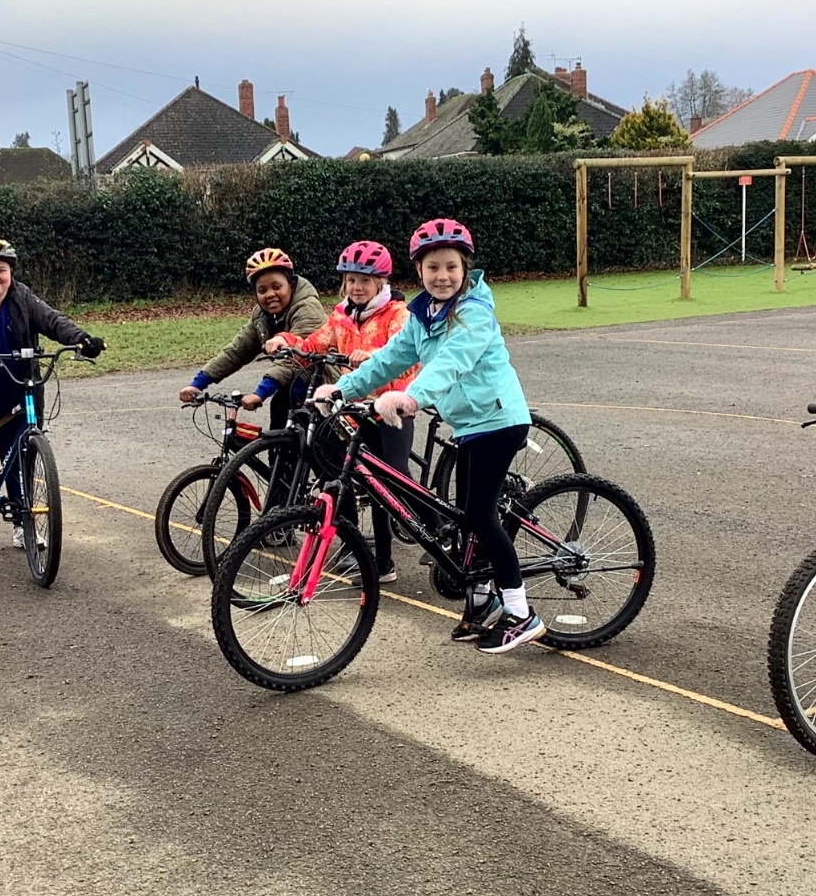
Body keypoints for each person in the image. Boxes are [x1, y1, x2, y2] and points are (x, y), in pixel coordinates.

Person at [315, 218, 544, 655]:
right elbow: (388, 360)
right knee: (465, 517)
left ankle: (520, 613)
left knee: (480, 515)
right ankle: (482, 603)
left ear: (465, 269)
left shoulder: (474, 311)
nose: (443, 276)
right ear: (418, 270)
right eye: (433, 267)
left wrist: (411, 397)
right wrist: (341, 389)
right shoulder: (422, 316)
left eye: (451, 267)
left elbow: (452, 361)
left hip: (499, 420)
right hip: (469, 424)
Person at [263, 240, 416, 582]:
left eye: (365, 280)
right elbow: (315, 342)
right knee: (357, 478)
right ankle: (368, 555)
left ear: (381, 282)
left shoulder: (397, 314)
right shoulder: (341, 315)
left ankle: (439, 533)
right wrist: (287, 341)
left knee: (393, 478)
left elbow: (404, 355)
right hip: (354, 411)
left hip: (391, 407)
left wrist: (373, 357)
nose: (356, 287)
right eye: (351, 280)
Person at [0, 237, 105, 546]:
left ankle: (22, 524)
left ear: (10, 273)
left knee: (19, 451)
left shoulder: (23, 298)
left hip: (17, 382)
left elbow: (53, 321)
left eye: (1, 270)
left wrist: (81, 339)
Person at [178, 249, 327, 430]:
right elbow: (236, 351)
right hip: (292, 386)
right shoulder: (262, 316)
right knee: (281, 422)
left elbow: (293, 358)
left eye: (276, 287)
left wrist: (261, 392)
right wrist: (197, 384)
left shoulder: (307, 308)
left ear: (292, 285)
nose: (270, 294)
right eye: (262, 290)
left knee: (295, 418)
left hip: (325, 385)